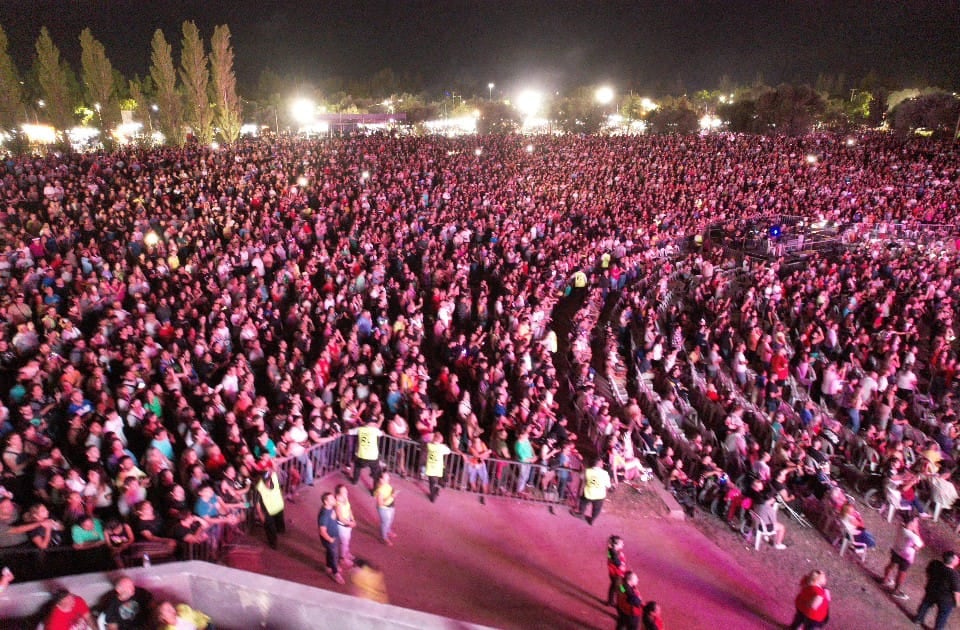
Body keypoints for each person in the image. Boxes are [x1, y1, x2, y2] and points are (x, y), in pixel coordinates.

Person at [914, 551, 960, 630]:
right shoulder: (954, 575)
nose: (958, 559)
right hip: (945, 599)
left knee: (925, 605)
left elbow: (928, 573)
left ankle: (918, 619)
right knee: (943, 615)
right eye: (956, 558)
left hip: (931, 591)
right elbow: (956, 591)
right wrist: (958, 603)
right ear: (952, 561)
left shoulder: (935, 564)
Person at [883, 514, 925, 600]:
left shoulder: (901, 526)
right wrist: (916, 530)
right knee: (902, 573)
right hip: (906, 556)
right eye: (915, 522)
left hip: (896, 550)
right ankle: (896, 590)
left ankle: (885, 579)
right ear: (911, 523)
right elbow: (921, 544)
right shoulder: (912, 536)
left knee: (891, 565)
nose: (916, 524)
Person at [572, 459, 611, 525]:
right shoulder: (605, 473)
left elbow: (581, 477)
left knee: (583, 503)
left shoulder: (587, 471)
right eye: (602, 463)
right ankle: (592, 520)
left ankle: (581, 514)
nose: (603, 464)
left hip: (588, 492)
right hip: (599, 495)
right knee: (597, 509)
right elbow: (608, 485)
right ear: (600, 465)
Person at [317, 491, 344, 584]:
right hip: (330, 539)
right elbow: (322, 531)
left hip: (333, 536)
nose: (334, 500)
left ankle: (328, 566)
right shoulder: (324, 515)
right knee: (334, 555)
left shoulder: (330, 508)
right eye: (331, 499)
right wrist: (330, 539)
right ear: (326, 502)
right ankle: (335, 573)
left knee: (330, 553)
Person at [255, 469, 285, 549]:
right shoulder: (260, 487)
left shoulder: (274, 479)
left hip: (278, 507)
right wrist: (261, 515)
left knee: (280, 523)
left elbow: (274, 471)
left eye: (269, 480)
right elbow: (257, 504)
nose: (268, 483)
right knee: (270, 528)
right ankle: (273, 543)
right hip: (268, 510)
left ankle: (281, 530)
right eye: (267, 481)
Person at [349, 418, 383, 488]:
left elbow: (349, 432)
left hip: (362, 456)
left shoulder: (360, 429)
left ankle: (355, 481)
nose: (375, 425)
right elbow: (381, 434)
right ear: (371, 424)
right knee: (376, 474)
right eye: (374, 423)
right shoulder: (375, 430)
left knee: (357, 467)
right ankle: (374, 490)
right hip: (373, 457)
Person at [425, 431, 451, 503]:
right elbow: (448, 451)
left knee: (431, 482)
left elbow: (428, 442)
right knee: (438, 481)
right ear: (441, 439)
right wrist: (444, 446)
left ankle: (432, 495)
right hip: (438, 467)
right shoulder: (442, 447)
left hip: (430, 467)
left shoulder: (429, 445)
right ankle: (436, 490)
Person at [334, 484, 357, 567]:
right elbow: (340, 518)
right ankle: (342, 558)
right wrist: (350, 523)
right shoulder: (338, 504)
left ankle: (346, 553)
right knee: (344, 542)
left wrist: (352, 519)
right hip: (342, 526)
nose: (346, 493)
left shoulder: (345, 499)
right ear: (338, 495)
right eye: (344, 492)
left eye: (346, 491)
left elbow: (349, 509)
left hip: (348, 524)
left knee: (347, 540)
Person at [374, 472, 397, 545]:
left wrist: (393, 492)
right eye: (386, 478)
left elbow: (390, 491)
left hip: (391, 506)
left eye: (388, 478)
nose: (388, 479)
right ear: (381, 480)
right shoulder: (380, 490)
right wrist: (392, 497)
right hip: (384, 509)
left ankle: (388, 530)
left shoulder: (387, 485)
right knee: (385, 522)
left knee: (390, 519)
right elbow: (380, 504)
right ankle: (384, 537)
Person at [607, 535, 627, 606]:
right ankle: (621, 605)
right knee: (621, 589)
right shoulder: (613, 553)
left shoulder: (613, 551)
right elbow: (617, 563)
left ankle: (610, 601)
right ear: (615, 545)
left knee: (613, 586)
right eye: (621, 543)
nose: (623, 544)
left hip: (614, 574)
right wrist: (621, 565)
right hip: (616, 575)